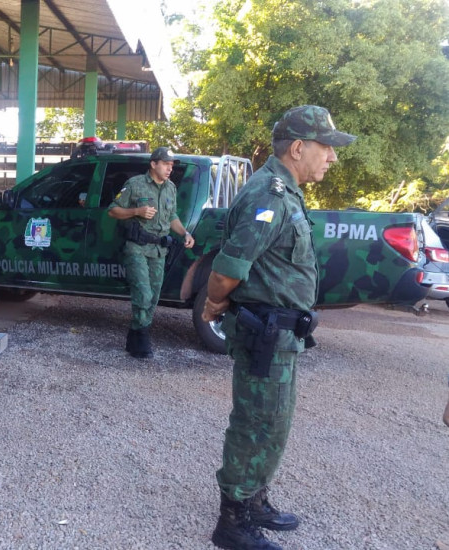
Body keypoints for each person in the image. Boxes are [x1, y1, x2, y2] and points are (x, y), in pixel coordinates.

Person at [201, 105, 356, 550]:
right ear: (298, 147)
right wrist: (214, 302)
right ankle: (231, 522)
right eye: (327, 148)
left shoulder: (286, 192)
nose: (332, 157)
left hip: (283, 335)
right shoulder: (269, 195)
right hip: (264, 335)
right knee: (254, 423)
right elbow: (228, 269)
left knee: (275, 424)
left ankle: (254, 500)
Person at [108, 147, 195, 358]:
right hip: (137, 248)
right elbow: (113, 210)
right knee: (143, 294)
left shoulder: (170, 188)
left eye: (172, 165)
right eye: (166, 164)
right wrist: (136, 211)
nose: (169, 168)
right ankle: (142, 338)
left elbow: (172, 215)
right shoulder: (135, 184)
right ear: (153, 164)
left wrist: (185, 233)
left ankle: (135, 334)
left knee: (154, 297)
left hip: (158, 250)